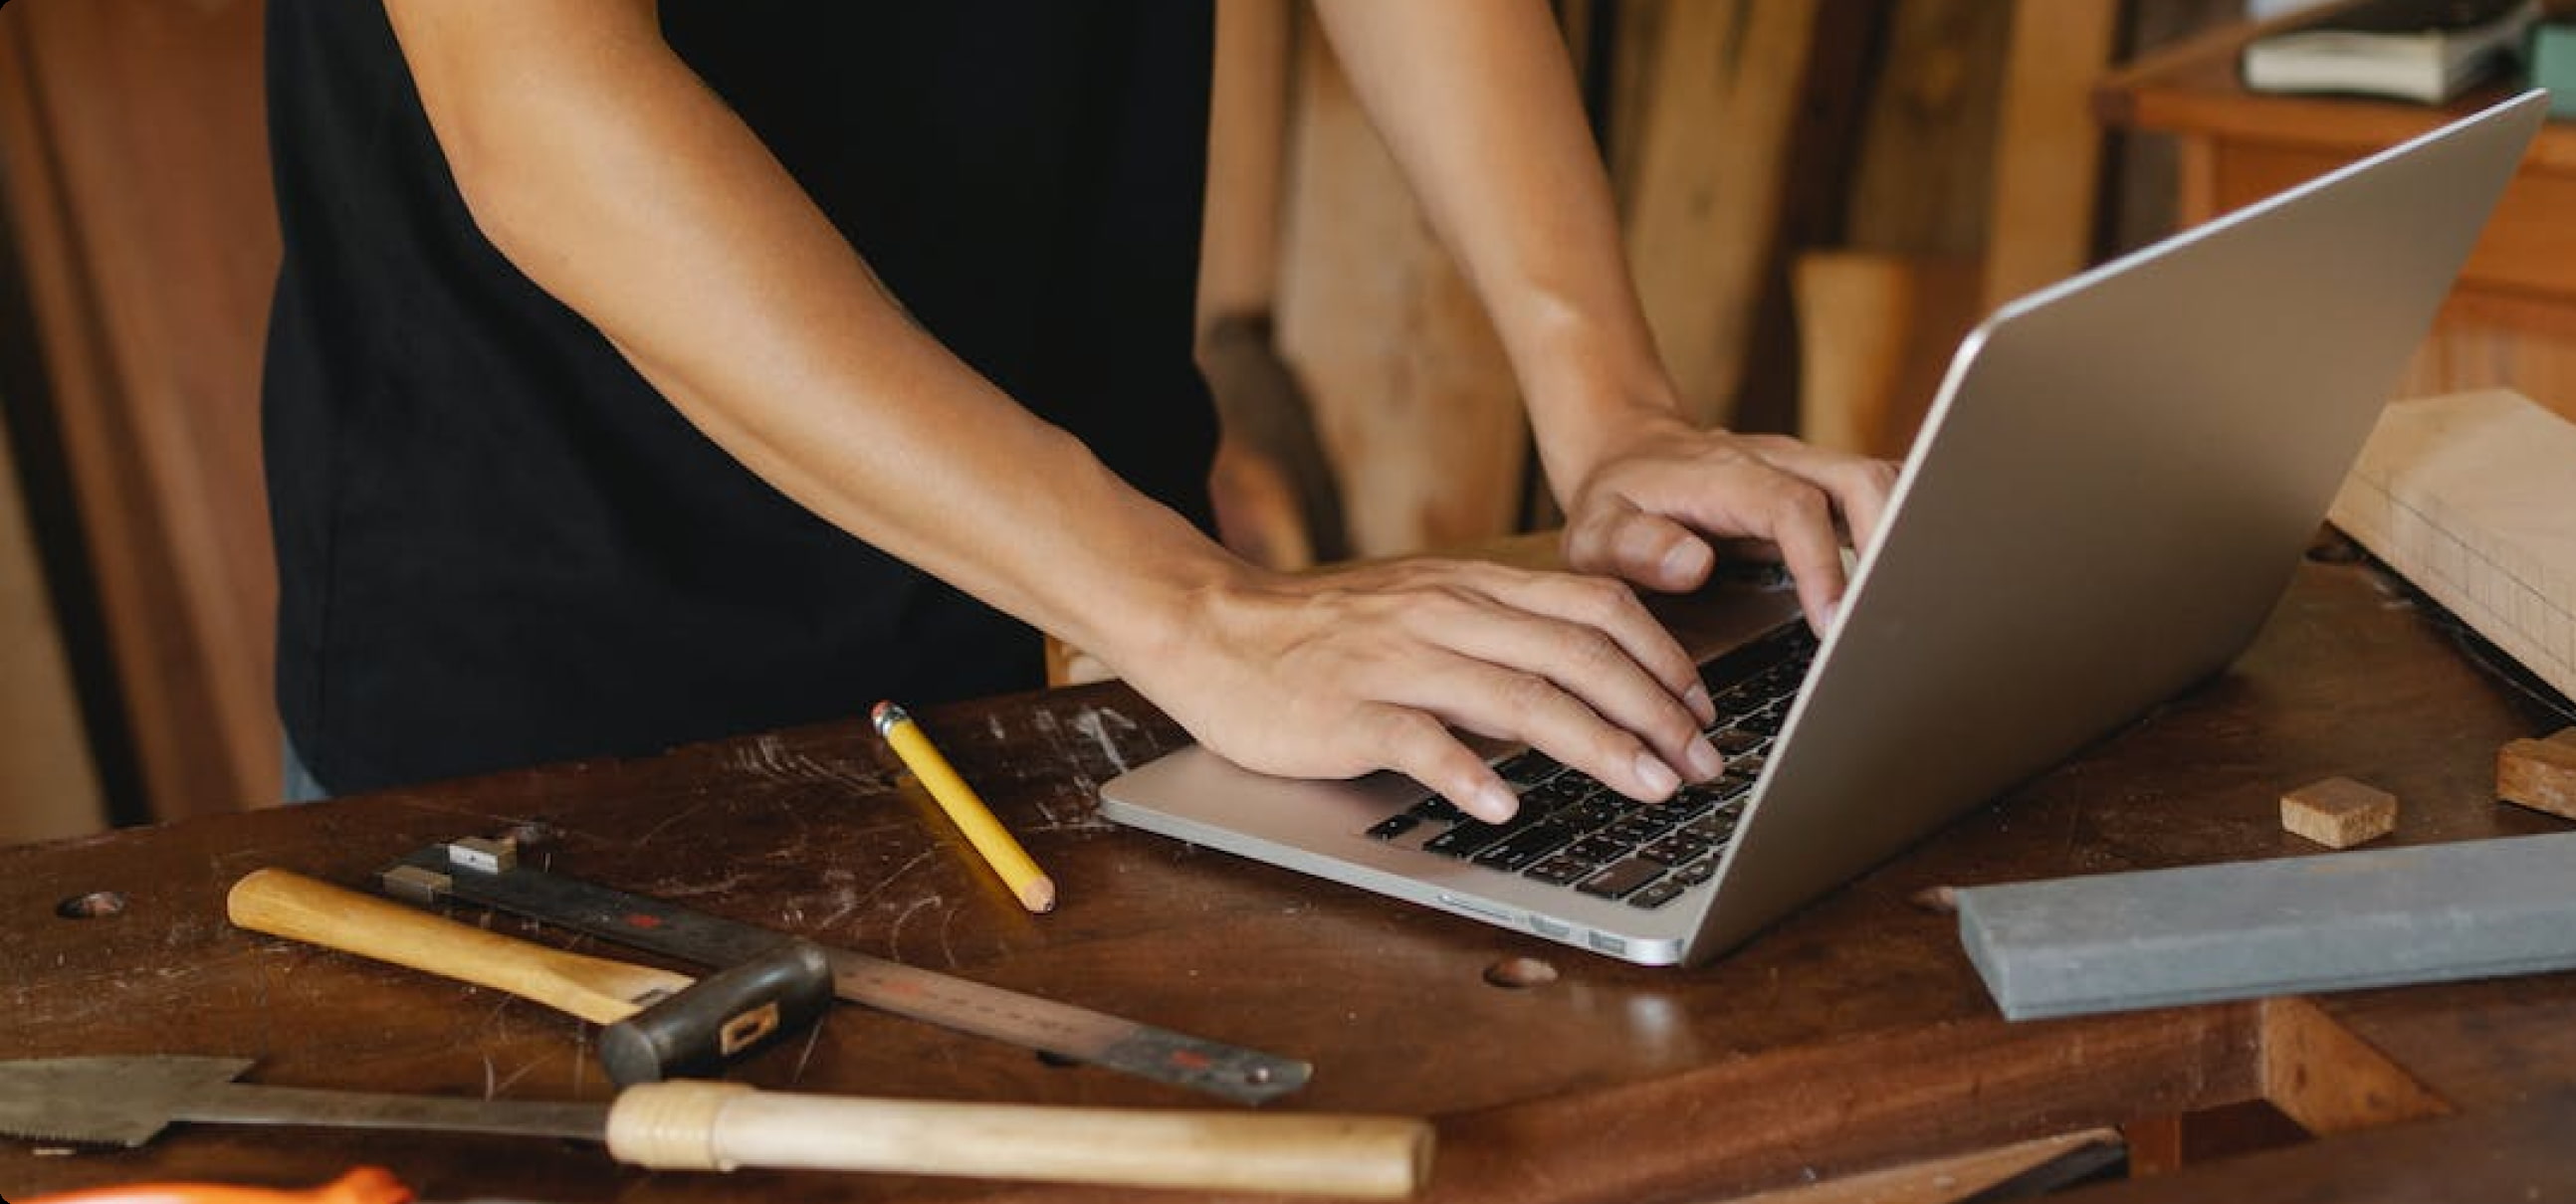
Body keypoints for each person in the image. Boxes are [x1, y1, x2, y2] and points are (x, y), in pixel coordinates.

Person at [263, 0, 1896, 819]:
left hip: (1060, 613)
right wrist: (1189, 608)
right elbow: (537, 104)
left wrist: (1607, 402)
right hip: (561, 638)